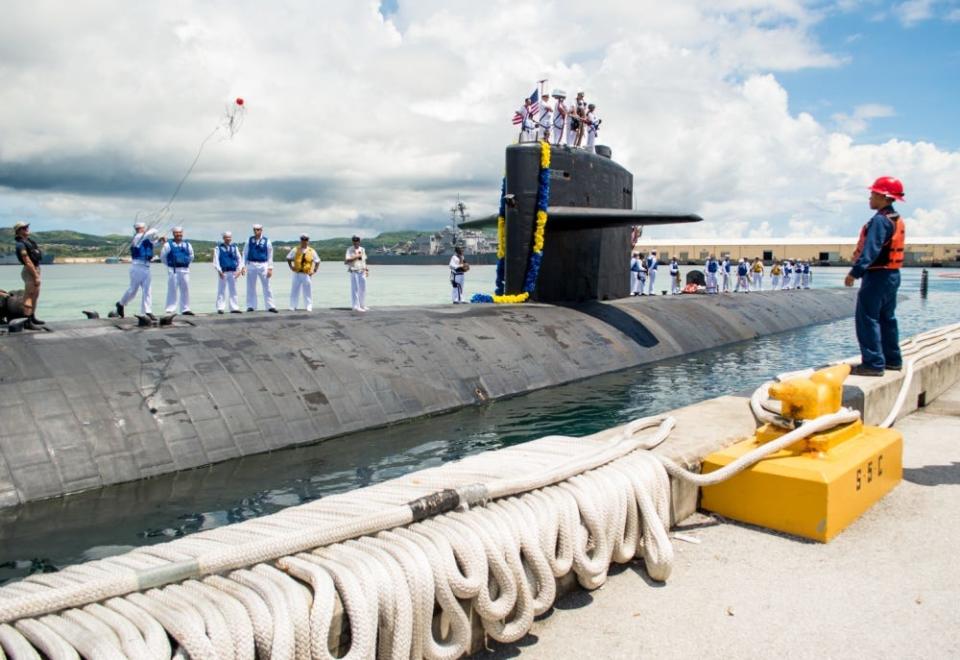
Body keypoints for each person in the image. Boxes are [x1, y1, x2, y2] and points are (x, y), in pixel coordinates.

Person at [844, 176, 906, 377]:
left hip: (877, 276)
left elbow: (871, 249)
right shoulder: (894, 218)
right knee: (887, 318)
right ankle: (892, 361)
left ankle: (873, 364)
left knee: (867, 319)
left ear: (883, 196)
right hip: (892, 275)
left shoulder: (880, 220)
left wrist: (855, 272)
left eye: (872, 194)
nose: (869, 198)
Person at [116, 221, 161, 319]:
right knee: (133, 290)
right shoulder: (137, 238)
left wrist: (161, 241)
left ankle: (147, 311)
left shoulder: (145, 239)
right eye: (142, 228)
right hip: (137, 267)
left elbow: (154, 244)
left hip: (147, 267)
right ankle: (121, 303)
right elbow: (152, 232)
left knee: (148, 290)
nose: (143, 230)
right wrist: (152, 231)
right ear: (139, 229)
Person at [12, 222, 44, 327]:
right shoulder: (20, 244)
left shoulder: (29, 241)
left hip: (36, 269)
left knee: (35, 295)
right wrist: (35, 275)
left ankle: (32, 317)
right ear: (19, 231)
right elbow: (27, 261)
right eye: (24, 228)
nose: (27, 229)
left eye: (27, 227)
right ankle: (27, 321)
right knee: (29, 295)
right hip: (30, 271)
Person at [160, 226, 194, 315]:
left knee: (185, 289)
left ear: (182, 233)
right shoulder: (168, 245)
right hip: (173, 270)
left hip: (185, 270)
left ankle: (185, 309)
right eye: (176, 232)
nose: (178, 234)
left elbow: (191, 256)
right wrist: (170, 265)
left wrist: (186, 264)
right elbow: (163, 257)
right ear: (173, 234)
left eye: (180, 232)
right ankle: (170, 309)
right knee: (172, 289)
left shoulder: (187, 244)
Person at [245, 224, 277, 312]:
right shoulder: (249, 240)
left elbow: (270, 255)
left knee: (267, 286)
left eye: (258, 229)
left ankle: (270, 306)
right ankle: (251, 306)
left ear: (261, 230)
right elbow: (245, 253)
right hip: (251, 264)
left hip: (263, 265)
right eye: (255, 230)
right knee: (251, 286)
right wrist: (243, 266)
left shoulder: (267, 241)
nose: (256, 231)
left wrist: (270, 268)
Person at [287, 233, 320, 311]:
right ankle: (293, 305)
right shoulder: (295, 249)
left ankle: (308, 306)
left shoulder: (312, 251)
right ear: (300, 240)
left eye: (306, 239)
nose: (304, 241)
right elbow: (288, 258)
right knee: (294, 290)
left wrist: (314, 270)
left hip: (306, 274)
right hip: (297, 273)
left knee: (307, 291)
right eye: (303, 239)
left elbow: (317, 261)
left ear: (308, 241)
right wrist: (291, 267)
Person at [214, 231, 244, 314]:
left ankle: (234, 307)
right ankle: (220, 308)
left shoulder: (235, 247)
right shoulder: (218, 248)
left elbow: (239, 259)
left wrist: (239, 270)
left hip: (233, 272)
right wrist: (219, 271)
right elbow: (216, 260)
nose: (228, 239)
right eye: (227, 237)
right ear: (223, 238)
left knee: (233, 290)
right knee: (221, 290)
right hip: (223, 272)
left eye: (229, 237)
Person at [345, 235, 369, 311]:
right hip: (354, 270)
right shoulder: (349, 249)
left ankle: (362, 305)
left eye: (357, 240)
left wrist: (366, 270)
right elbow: (346, 260)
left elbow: (364, 260)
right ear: (352, 241)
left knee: (363, 289)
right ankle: (355, 306)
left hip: (362, 270)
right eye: (354, 240)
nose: (356, 242)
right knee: (355, 289)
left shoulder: (362, 249)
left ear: (359, 241)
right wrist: (356, 256)